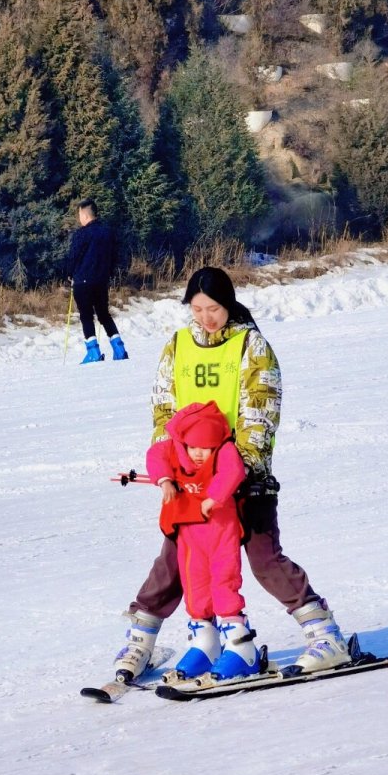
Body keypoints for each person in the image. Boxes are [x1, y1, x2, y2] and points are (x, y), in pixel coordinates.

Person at [113, 265, 351, 682]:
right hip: (191, 483)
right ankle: (142, 642)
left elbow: (261, 411)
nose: (206, 317)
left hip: (244, 480)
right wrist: (173, 465)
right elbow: (163, 410)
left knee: (265, 561)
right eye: (198, 308)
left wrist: (235, 470)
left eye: (215, 308)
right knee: (175, 565)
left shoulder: (251, 345)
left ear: (229, 305)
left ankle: (325, 635)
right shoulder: (177, 346)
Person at [144, 400, 262, 682]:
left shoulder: (224, 451)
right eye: (193, 447)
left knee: (224, 581)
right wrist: (164, 480)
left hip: (221, 532)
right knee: (194, 584)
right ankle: (205, 642)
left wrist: (214, 497)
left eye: (205, 448)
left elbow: (232, 471)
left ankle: (241, 646)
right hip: (189, 534)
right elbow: (155, 454)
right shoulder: (175, 449)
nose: (198, 454)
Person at [69, 198, 129, 363]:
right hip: (101, 280)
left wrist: (68, 273)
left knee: (86, 316)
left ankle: (93, 352)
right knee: (104, 314)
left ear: (85, 215)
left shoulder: (82, 234)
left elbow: (74, 256)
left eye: (79, 215)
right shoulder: (108, 232)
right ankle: (119, 348)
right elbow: (115, 256)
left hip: (83, 281)